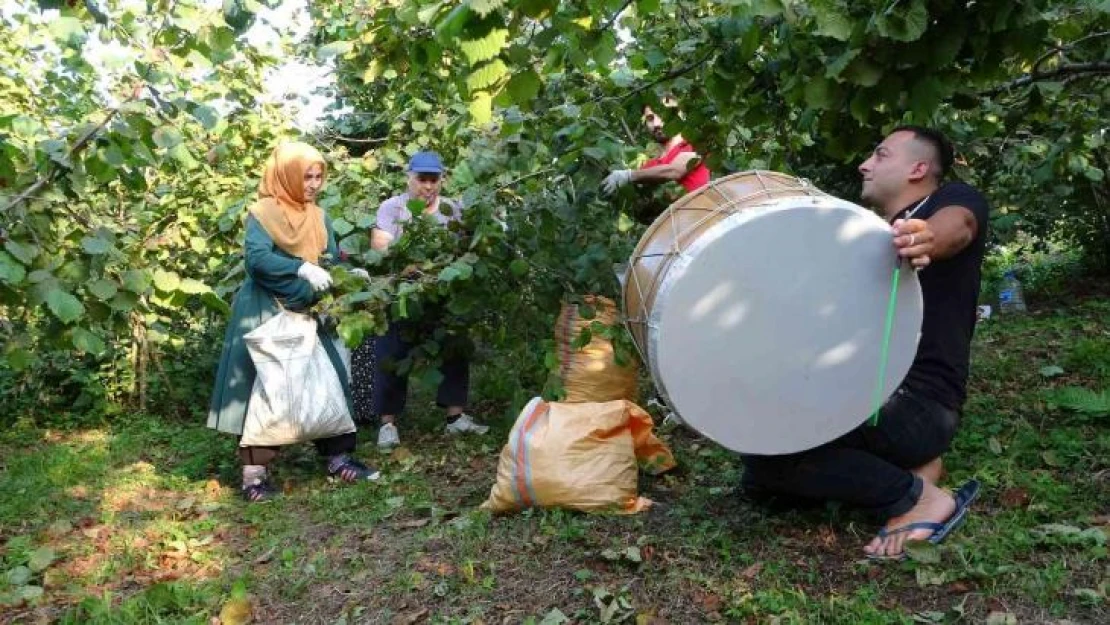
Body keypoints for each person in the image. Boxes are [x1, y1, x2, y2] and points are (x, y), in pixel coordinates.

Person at [740, 126, 989, 559]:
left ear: (918, 168)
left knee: (773, 462)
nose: (865, 164)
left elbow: (958, 228)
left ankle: (919, 499)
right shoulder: (864, 235)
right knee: (756, 463)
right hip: (867, 393)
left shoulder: (952, 201)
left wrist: (923, 236)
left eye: (880, 154)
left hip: (917, 404)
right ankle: (910, 469)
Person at [208, 142, 380, 502]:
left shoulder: (319, 215)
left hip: (310, 308)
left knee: (328, 376)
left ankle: (338, 457)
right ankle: (254, 477)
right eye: (307, 176)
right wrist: (298, 267)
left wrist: (349, 272)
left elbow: (329, 257)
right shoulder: (263, 212)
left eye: (319, 176)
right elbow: (256, 259)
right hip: (266, 308)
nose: (314, 184)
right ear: (286, 175)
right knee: (267, 385)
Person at [365, 151, 489, 449]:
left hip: (440, 292)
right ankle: (387, 424)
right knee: (391, 351)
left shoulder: (452, 209)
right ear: (409, 178)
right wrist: (405, 259)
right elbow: (379, 246)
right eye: (422, 179)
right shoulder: (392, 208)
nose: (429, 186)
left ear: (441, 180)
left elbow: (464, 248)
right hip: (402, 293)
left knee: (455, 343)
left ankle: (455, 417)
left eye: (434, 180)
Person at [601, 102, 711, 196]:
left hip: (710, 217)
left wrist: (628, 175)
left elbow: (675, 171)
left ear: (679, 115)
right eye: (650, 119)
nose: (656, 124)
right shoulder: (651, 166)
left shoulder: (697, 144)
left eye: (663, 115)